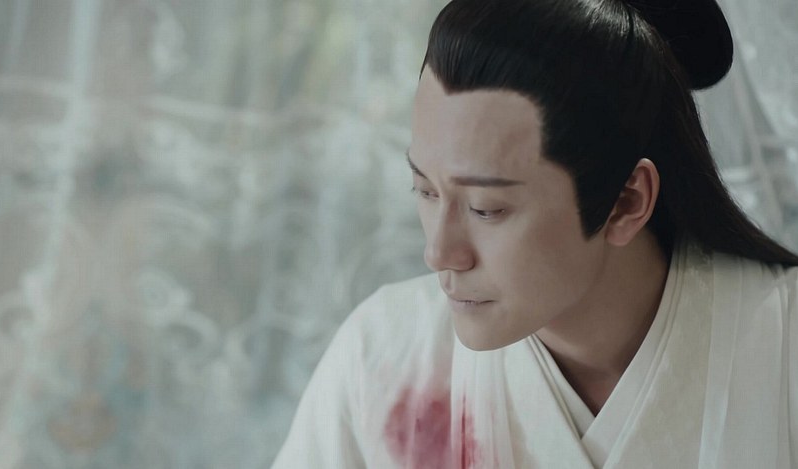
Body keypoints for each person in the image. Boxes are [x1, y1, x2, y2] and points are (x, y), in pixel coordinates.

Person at [273, 0, 798, 467]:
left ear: (626, 201)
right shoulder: (383, 353)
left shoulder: (783, 346)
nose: (439, 253)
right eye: (426, 190)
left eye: (486, 208)